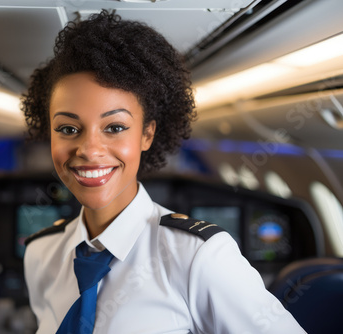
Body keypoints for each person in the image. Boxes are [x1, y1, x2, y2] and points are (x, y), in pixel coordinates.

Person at [22, 10, 306, 334]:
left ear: (147, 134)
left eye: (114, 127)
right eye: (69, 129)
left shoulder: (199, 257)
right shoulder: (40, 254)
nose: (88, 149)